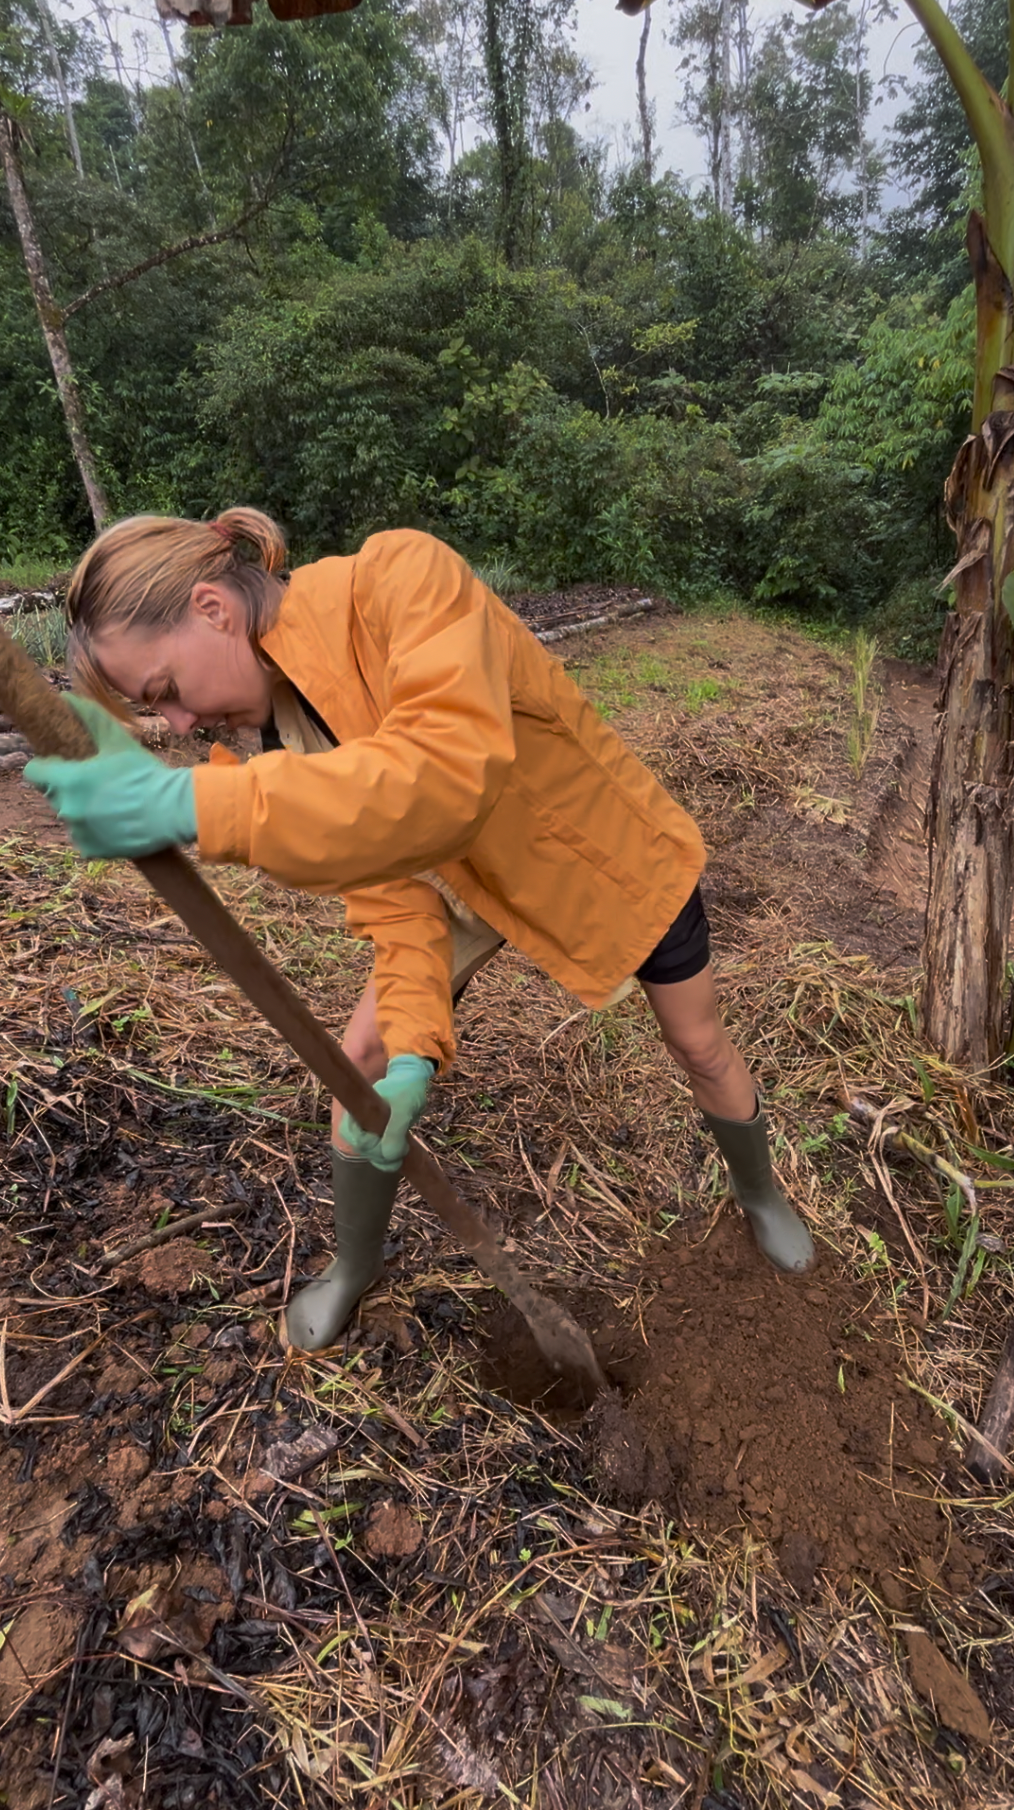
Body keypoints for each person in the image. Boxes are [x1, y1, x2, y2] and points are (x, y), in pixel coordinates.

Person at [25, 510, 815, 1349]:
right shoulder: (281, 734)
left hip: (590, 853)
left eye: (166, 693)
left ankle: (759, 1193)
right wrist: (409, 1052)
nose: (180, 727)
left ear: (214, 609)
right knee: (358, 1067)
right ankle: (352, 1268)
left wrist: (191, 804)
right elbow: (394, 894)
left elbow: (445, 777)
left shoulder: (404, 578)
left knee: (699, 1046)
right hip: (459, 885)